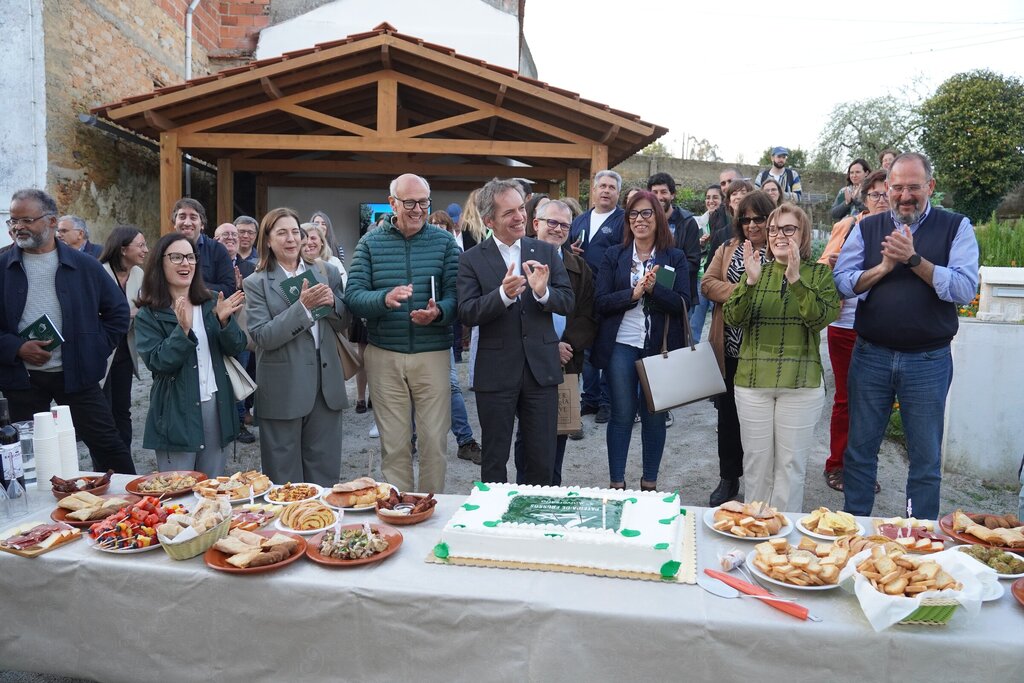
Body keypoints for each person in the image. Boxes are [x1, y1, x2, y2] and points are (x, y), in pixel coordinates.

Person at [834, 152, 980, 519]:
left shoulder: (955, 226)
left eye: (913, 187)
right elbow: (842, 282)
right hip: (871, 355)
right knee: (860, 452)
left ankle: (920, 540)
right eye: (897, 187)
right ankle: (856, 530)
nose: (904, 196)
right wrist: (883, 268)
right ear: (887, 188)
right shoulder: (867, 227)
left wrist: (916, 261)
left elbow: (964, 289)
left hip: (927, 361)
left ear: (929, 186)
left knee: (925, 459)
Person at [0, 189, 135, 474]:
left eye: (26, 219)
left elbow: (118, 313)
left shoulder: (85, 266)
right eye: (12, 221)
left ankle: (132, 506)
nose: (17, 227)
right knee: (27, 457)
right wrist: (16, 348)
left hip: (77, 375)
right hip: (22, 380)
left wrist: (94, 348)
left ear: (51, 221)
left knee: (108, 445)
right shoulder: (2, 267)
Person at [346, 174, 460, 494]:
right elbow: (353, 295)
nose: (417, 209)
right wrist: (383, 299)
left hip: (432, 352)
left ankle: (429, 508)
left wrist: (439, 313)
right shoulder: (370, 243)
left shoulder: (445, 243)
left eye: (423, 202)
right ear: (393, 202)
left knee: (434, 443)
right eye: (409, 202)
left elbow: (458, 297)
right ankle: (401, 512)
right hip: (385, 354)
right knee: (394, 446)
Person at [723, 204, 839, 513]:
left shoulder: (819, 273)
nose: (779, 235)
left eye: (789, 229)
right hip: (752, 383)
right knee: (756, 465)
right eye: (774, 229)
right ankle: (755, 531)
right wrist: (748, 283)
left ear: (803, 234)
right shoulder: (756, 270)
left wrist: (796, 280)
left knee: (790, 467)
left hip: (801, 384)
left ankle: (783, 541)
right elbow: (733, 318)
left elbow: (818, 319)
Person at [458, 178, 574, 485]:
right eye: (509, 212)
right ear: (489, 220)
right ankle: (494, 525)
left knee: (542, 456)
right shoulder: (471, 259)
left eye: (521, 208)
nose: (520, 217)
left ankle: (535, 522)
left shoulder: (546, 251)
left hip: (541, 371)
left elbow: (568, 301)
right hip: (495, 372)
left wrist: (543, 293)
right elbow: (467, 311)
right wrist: (503, 296)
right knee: (495, 458)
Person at [591, 190, 690, 490]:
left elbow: (685, 302)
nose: (639, 220)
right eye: (633, 214)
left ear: (658, 218)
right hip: (621, 343)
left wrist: (653, 290)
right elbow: (600, 301)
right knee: (621, 413)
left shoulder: (674, 257)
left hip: (658, 347)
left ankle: (649, 482)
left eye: (646, 213)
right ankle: (617, 483)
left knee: (654, 415)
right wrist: (631, 295)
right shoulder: (615, 255)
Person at [243, 207, 349, 486]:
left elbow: (342, 323)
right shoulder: (256, 283)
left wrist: (333, 304)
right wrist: (302, 308)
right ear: (267, 240)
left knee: (325, 473)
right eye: (282, 233)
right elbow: (261, 337)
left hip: (325, 383)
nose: (291, 239)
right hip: (282, 387)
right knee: (283, 477)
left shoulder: (323, 270)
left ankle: (322, 525)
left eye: (294, 232)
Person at [135, 234, 247, 477]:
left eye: (190, 257)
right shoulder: (149, 314)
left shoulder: (210, 302)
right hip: (176, 411)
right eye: (176, 257)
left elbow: (237, 347)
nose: (185, 263)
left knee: (212, 488)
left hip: (215, 406)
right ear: (160, 263)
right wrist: (182, 330)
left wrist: (224, 321)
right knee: (179, 490)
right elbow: (158, 362)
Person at [512, 200, 596, 482]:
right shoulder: (516, 259)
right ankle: (525, 489)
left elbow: (587, 314)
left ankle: (552, 487)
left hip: (566, 361)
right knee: (528, 432)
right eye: (552, 222)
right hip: (526, 362)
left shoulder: (579, 268)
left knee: (559, 430)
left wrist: (566, 345)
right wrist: (548, 345)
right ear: (536, 224)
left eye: (564, 225)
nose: (558, 229)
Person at [819, 169, 889, 492]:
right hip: (846, 324)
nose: (882, 200)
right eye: (875, 194)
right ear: (865, 198)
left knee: (874, 402)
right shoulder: (848, 225)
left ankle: (861, 467)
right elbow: (822, 265)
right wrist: (832, 264)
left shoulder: (903, 230)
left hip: (883, 327)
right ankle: (837, 465)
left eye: (887, 193)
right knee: (846, 399)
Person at [701, 190, 772, 506]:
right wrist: (746, 289)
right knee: (728, 421)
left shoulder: (780, 250)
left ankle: (762, 482)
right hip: (729, 350)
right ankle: (729, 478)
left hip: (765, 354)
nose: (752, 225)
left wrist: (754, 293)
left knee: (761, 422)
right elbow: (707, 284)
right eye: (746, 219)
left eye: (759, 218)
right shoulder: (728, 248)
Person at [569, 170, 625, 424]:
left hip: (611, 293)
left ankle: (606, 400)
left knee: (607, 347)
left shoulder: (623, 221)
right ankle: (589, 399)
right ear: (593, 190)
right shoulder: (580, 220)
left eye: (611, 187)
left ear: (618, 193)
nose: (606, 190)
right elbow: (565, 248)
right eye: (601, 186)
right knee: (587, 346)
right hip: (583, 294)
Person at [427, 209, 481, 463]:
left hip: (441, 330)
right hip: (409, 334)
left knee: (451, 386)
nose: (438, 227)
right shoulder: (420, 251)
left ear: (451, 229)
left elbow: (461, 295)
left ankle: (465, 440)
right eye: (433, 224)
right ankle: (412, 440)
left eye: (442, 224)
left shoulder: (456, 254)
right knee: (410, 390)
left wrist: (442, 311)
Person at [99, 226, 148, 451]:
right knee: (103, 409)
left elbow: (145, 307)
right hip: (102, 352)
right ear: (123, 249)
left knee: (122, 408)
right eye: (140, 245)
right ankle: (105, 460)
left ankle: (123, 456)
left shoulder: (139, 274)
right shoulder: (99, 272)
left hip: (125, 351)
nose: (146, 250)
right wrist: (127, 313)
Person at [214, 221, 258, 445]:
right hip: (213, 329)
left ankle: (239, 422)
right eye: (225, 235)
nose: (231, 238)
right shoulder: (207, 263)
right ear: (215, 240)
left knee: (239, 374)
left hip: (238, 330)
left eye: (234, 235)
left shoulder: (250, 267)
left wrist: (241, 288)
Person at [170, 198, 235, 296]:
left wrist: (193, 286)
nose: (187, 223)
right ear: (175, 223)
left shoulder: (218, 250)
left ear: (202, 224)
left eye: (193, 217)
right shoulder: (164, 249)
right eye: (182, 217)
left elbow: (229, 289)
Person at [690, 184, 722, 341]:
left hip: (720, 279)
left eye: (715, 197)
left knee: (718, 325)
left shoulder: (727, 223)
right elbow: (690, 249)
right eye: (708, 198)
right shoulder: (698, 222)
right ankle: (690, 354)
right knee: (695, 323)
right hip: (701, 277)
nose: (711, 201)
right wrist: (701, 244)